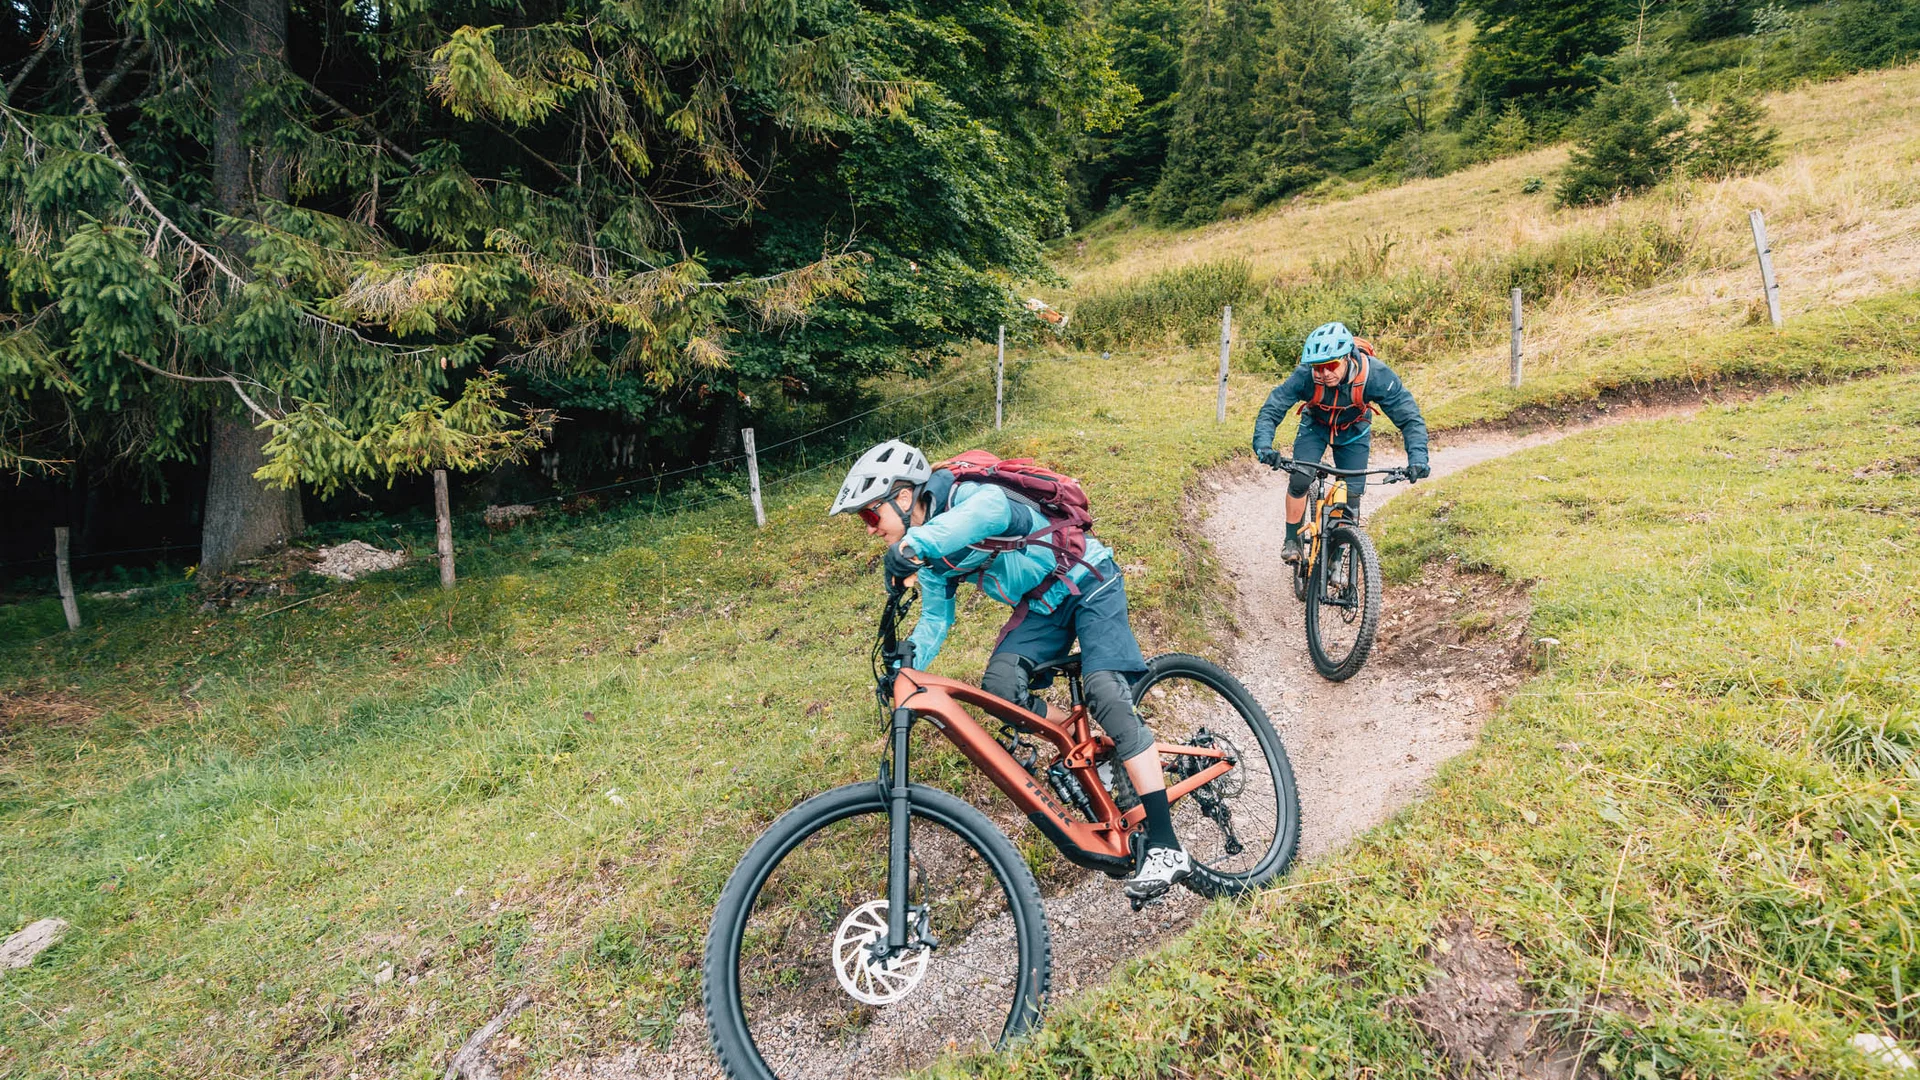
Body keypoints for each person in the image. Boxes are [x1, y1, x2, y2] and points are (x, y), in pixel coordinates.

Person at [828, 440, 1192, 901]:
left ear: (902, 497)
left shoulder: (966, 495)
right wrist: (906, 663)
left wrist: (914, 544)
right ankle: (1086, 743)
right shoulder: (936, 561)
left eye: (868, 515)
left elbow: (995, 512)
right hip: (1042, 606)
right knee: (1001, 688)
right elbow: (936, 619)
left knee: (1104, 691)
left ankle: (1166, 844)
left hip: (1086, 577)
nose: (869, 529)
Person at [1252, 322, 1432, 563]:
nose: (1324, 374)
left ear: (1347, 357)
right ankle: (1292, 540)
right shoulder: (1305, 376)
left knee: (1351, 497)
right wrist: (1264, 445)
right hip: (1315, 427)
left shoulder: (1375, 376)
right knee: (1300, 477)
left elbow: (1409, 418)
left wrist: (1418, 459)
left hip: (1354, 432)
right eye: (1318, 368)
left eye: (1331, 365)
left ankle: (1336, 558)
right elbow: (1273, 408)